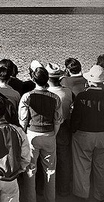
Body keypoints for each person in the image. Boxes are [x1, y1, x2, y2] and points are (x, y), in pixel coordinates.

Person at [18, 66, 63, 202]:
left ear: (33, 79)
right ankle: (50, 199)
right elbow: (58, 119)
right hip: (49, 134)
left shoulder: (27, 96)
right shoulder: (55, 98)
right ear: (47, 79)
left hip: (32, 134)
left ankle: (30, 199)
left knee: (31, 169)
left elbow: (23, 119)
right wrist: (53, 134)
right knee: (50, 170)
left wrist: (25, 134)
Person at [70, 64, 104, 201]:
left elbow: (76, 118)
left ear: (90, 81)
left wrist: (72, 130)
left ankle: (82, 194)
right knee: (100, 166)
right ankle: (99, 195)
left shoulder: (82, 96)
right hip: (102, 134)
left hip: (84, 134)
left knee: (82, 166)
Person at [45, 63, 73, 197]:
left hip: (49, 128)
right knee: (64, 159)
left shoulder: (46, 93)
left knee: (46, 159)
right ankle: (64, 189)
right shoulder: (67, 91)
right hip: (64, 127)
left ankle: (46, 189)